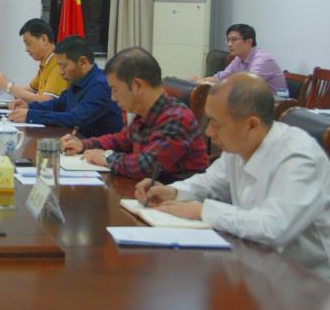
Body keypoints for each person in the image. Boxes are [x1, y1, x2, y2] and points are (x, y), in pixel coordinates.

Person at [136, 73, 330, 280]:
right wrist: (173, 191)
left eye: (216, 123)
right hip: (257, 265)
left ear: (251, 125)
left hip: (308, 282)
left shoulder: (299, 157)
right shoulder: (240, 144)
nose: (208, 132)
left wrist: (203, 211)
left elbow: (273, 228)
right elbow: (209, 183)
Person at [61, 47, 209, 181]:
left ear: (137, 85)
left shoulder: (176, 117)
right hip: (147, 192)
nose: (113, 97)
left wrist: (107, 158)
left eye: (115, 89)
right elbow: (119, 141)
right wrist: (83, 145)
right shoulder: (145, 113)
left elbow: (147, 165)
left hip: (177, 198)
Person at [7, 36, 123, 138]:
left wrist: (31, 115)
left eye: (64, 66)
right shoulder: (77, 80)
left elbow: (76, 119)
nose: (60, 72)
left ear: (82, 62)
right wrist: (29, 106)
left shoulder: (101, 85)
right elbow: (57, 104)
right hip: (78, 143)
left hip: (99, 150)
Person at [192, 23, 286, 95]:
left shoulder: (262, 60)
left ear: (249, 41)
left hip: (277, 105)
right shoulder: (238, 58)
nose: (229, 44)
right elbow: (220, 77)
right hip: (253, 101)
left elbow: (247, 87)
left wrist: (208, 84)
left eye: (234, 40)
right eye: (228, 40)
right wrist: (200, 81)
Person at [0, 18, 68, 103]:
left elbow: (47, 101)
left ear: (44, 39)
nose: (26, 49)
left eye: (28, 44)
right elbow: (30, 91)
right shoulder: (45, 62)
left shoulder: (58, 63)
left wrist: (7, 86)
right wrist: (3, 84)